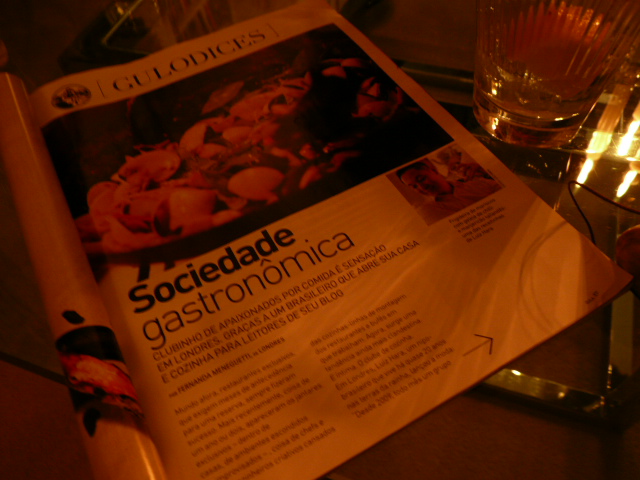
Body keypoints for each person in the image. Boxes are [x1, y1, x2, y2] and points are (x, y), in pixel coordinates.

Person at [396, 159, 501, 223]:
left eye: (422, 179)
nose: (422, 187)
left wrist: (489, 171)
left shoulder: (478, 183)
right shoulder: (429, 210)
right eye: (414, 186)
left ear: (433, 170)